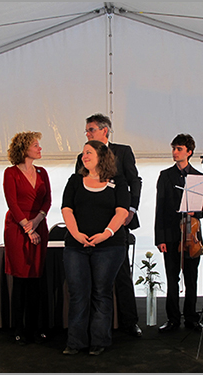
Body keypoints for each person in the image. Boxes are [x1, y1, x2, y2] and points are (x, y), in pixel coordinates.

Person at [75, 113, 143, 337]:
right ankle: (94, 326)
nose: (87, 133)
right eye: (86, 130)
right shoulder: (82, 157)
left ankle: (129, 322)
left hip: (117, 220)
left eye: (91, 129)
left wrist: (131, 210)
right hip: (90, 223)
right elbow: (78, 187)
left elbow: (135, 180)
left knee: (121, 274)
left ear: (105, 130)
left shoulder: (122, 151)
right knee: (90, 278)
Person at [62, 140, 130, 355]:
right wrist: (76, 235)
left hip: (109, 246)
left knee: (101, 293)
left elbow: (122, 212)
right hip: (76, 246)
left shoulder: (118, 181)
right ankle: (75, 342)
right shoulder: (74, 180)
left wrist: (105, 234)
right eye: (83, 153)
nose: (84, 156)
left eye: (89, 152)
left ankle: (99, 342)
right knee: (78, 294)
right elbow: (66, 209)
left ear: (102, 156)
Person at [154, 134, 203, 332]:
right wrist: (160, 238)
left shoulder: (199, 177)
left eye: (179, 149)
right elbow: (159, 209)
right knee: (172, 278)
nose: (175, 152)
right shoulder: (165, 175)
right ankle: (173, 319)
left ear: (189, 152)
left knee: (192, 277)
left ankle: (192, 318)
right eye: (174, 148)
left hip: (192, 234)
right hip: (170, 233)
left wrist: (198, 211)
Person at [3, 131, 52, 345]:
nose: (40, 148)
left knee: (36, 278)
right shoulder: (10, 172)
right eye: (36, 145)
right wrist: (27, 228)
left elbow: (48, 201)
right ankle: (18, 328)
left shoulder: (42, 172)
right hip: (17, 227)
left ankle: (36, 327)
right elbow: (12, 203)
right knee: (21, 279)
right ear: (24, 148)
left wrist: (38, 222)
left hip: (38, 226)